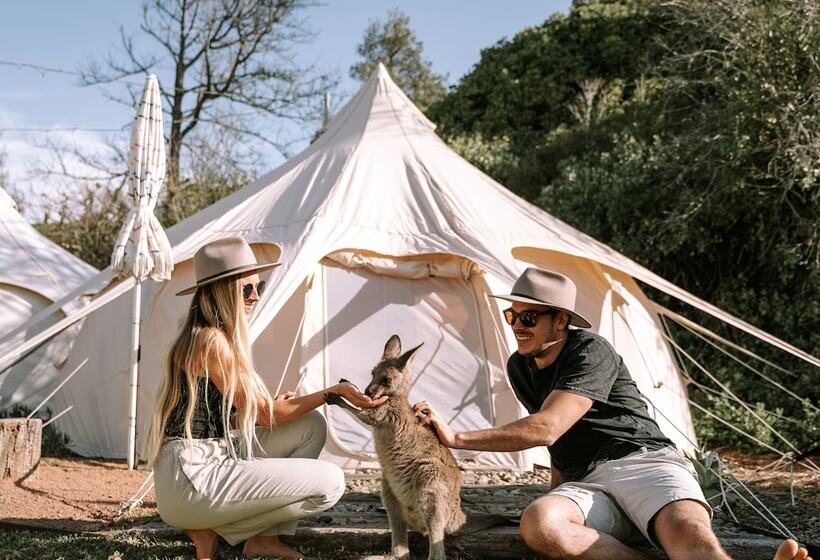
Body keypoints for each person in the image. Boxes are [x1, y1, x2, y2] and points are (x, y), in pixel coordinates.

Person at [413, 267, 811, 560]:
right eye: (512, 316)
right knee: (541, 523)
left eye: (529, 317)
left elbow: (547, 427)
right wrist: (557, 492)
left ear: (561, 320)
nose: (518, 325)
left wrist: (456, 438)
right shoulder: (521, 365)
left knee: (686, 529)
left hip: (644, 461)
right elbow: (558, 439)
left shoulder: (590, 350)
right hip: (588, 483)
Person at [143, 237, 386, 560]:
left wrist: (280, 403)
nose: (256, 296)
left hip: (205, 462)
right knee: (331, 482)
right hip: (192, 479)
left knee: (310, 425)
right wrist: (331, 393)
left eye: (259, 286)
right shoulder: (211, 341)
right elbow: (264, 416)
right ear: (223, 290)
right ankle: (214, 527)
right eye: (247, 289)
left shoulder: (207, 337)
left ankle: (262, 539)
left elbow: (227, 416)